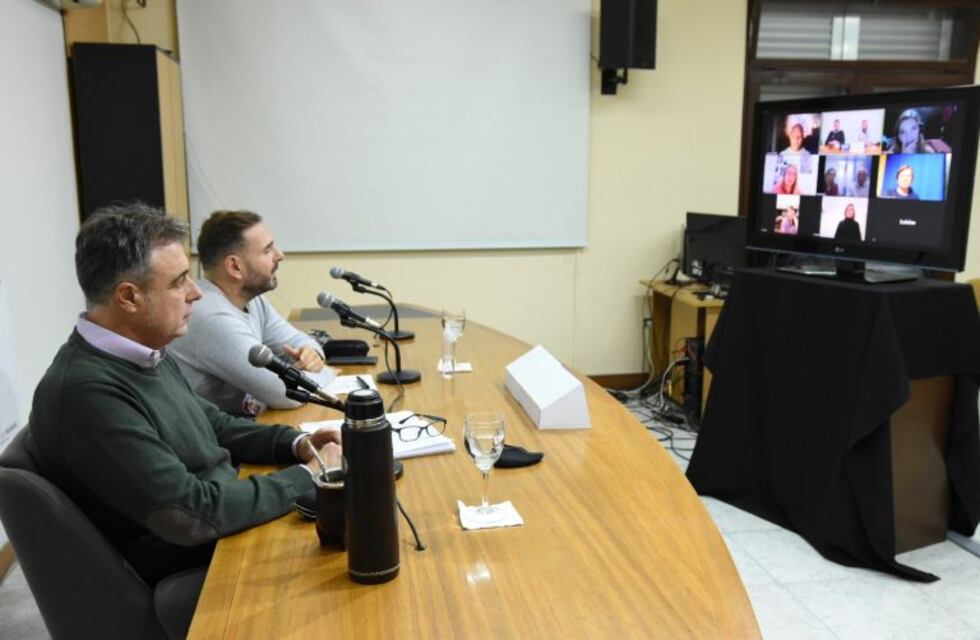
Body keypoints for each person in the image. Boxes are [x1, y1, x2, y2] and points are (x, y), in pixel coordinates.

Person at [26, 204, 341, 589]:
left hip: (222, 528)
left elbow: (215, 425)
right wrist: (308, 474)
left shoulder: (145, 350)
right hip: (198, 568)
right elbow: (189, 515)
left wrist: (298, 443)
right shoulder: (85, 392)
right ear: (128, 297)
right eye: (178, 283)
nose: (195, 293)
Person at [170, 210, 329, 415]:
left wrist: (312, 354)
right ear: (235, 266)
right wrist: (327, 372)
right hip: (219, 442)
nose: (280, 255)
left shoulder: (253, 300)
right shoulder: (212, 317)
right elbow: (286, 394)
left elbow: (297, 340)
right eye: (267, 250)